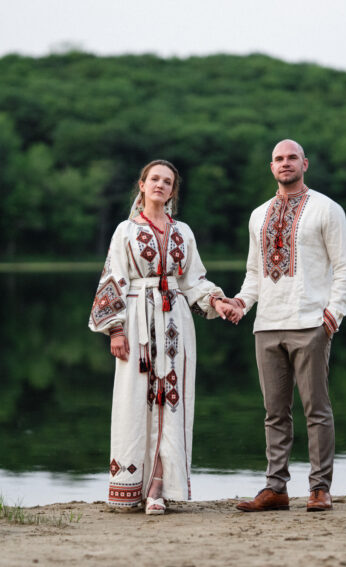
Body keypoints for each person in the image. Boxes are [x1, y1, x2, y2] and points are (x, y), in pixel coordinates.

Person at [89, 160, 235, 515]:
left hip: (175, 324)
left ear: (173, 190)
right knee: (136, 398)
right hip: (138, 320)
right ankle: (131, 484)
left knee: (171, 398)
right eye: (154, 179)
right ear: (142, 185)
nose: (160, 185)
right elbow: (114, 277)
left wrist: (217, 300)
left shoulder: (183, 232)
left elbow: (194, 280)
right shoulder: (125, 230)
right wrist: (116, 329)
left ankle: (157, 486)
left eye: (167, 181)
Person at [228, 139, 346, 512]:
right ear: (271, 168)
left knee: (316, 408)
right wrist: (240, 303)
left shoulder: (327, 209)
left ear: (305, 164)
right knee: (274, 412)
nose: (285, 164)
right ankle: (276, 488)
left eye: (292, 158)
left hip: (310, 322)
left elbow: (344, 267)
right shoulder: (258, 215)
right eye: (279, 159)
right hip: (266, 325)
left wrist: (333, 314)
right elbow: (255, 273)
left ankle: (319, 488)